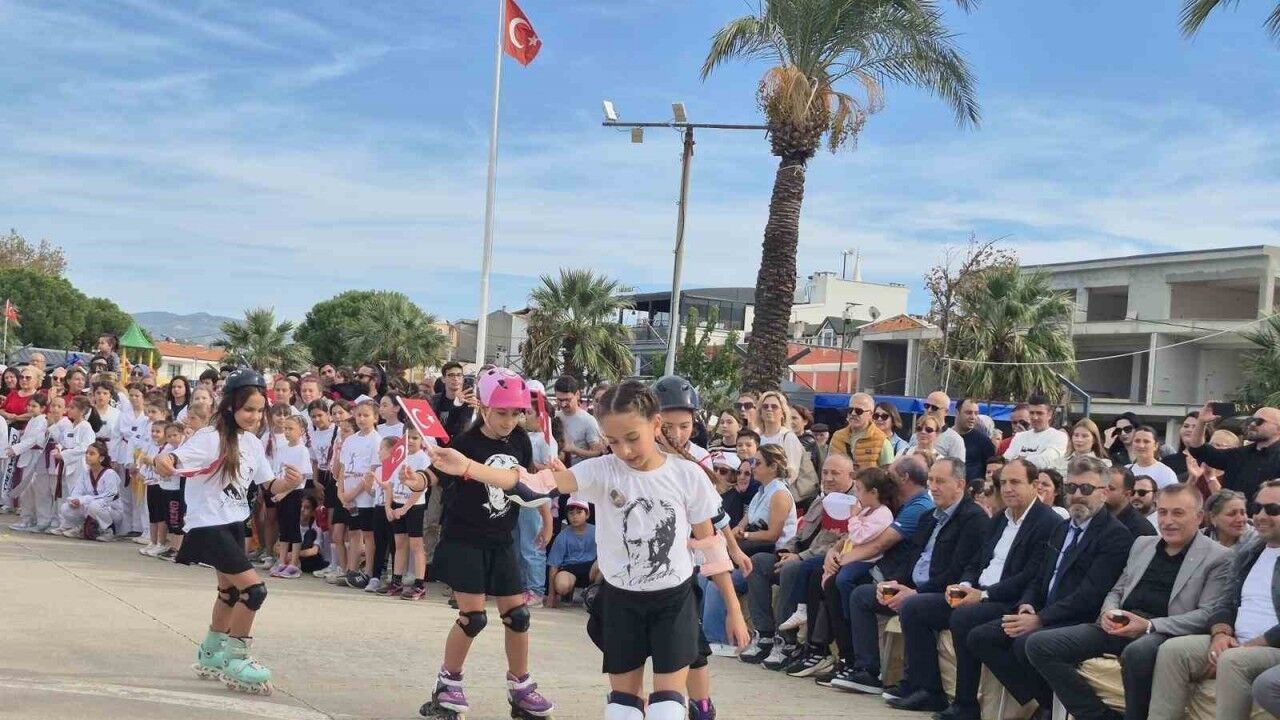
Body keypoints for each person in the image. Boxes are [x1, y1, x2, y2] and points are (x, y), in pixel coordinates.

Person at [425, 379, 748, 720]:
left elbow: (711, 548)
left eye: (632, 438)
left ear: (656, 424)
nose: (624, 451)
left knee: (666, 709)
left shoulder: (688, 475)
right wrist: (467, 467)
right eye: (613, 441)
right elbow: (533, 486)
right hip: (621, 601)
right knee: (623, 710)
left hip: (673, 601)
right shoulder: (601, 470)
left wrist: (733, 609)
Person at [1025, 483, 1234, 720]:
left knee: (1137, 653)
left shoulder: (1218, 557)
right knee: (1039, 644)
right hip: (1121, 624)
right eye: (1163, 512)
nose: (1168, 521)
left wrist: (1149, 626)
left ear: (1199, 517)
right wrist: (1109, 612)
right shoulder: (1143, 544)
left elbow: (1207, 613)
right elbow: (1117, 589)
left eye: (1178, 513)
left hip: (1163, 632)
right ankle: (1099, 717)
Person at [416, 368, 554, 720]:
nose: (509, 421)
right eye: (501, 413)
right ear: (483, 406)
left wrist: (547, 516)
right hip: (465, 540)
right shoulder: (466, 443)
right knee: (473, 618)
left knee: (518, 616)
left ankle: (521, 688)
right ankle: (447, 684)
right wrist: (417, 480)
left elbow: (527, 482)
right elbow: (436, 471)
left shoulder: (520, 440)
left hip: (501, 540)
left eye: (516, 413)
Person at [153, 368, 300, 695]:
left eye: (259, 410)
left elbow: (268, 485)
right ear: (231, 406)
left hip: (233, 523)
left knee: (230, 593)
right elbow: (173, 458)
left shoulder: (253, 444)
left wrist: (289, 483)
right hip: (208, 525)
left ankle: (211, 652)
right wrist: (163, 461)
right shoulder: (210, 437)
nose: (255, 417)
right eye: (248, 409)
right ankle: (237, 658)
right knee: (254, 590)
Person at [966, 456, 1134, 719]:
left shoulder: (1115, 535)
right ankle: (1042, 702)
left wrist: (1040, 619)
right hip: (1045, 611)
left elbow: (1090, 595)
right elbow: (1039, 577)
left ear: (1103, 493)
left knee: (1025, 643)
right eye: (1071, 488)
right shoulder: (1062, 528)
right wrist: (1028, 605)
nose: (1077, 495)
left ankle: (1093, 714)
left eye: (1086, 489)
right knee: (981, 637)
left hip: (1078, 618)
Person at [895, 458, 1062, 715]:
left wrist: (983, 595)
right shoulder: (1000, 518)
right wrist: (963, 585)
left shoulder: (1047, 522)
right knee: (914, 608)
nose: (1008, 489)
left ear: (1034, 485)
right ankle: (929, 691)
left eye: (1015, 482)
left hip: (1009, 599)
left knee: (964, 617)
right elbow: (977, 561)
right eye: (1003, 483)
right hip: (978, 591)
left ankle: (966, 704)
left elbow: (1031, 575)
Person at [837, 457, 987, 696]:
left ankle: (924, 687)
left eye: (940, 481)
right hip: (913, 587)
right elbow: (911, 559)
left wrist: (915, 592)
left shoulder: (973, 518)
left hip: (945, 593)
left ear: (960, 484)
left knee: (913, 606)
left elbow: (957, 570)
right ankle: (867, 670)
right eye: (931, 481)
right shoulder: (929, 516)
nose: (933, 487)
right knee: (861, 595)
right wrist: (894, 583)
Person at [1149, 480, 1280, 720]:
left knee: (1233, 660)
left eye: (1272, 510)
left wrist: (1252, 645)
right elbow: (1225, 601)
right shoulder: (1250, 551)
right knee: (1172, 651)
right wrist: (1220, 634)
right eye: (1257, 508)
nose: (1261, 516)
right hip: (1237, 641)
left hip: (1272, 647)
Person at [740, 453, 855, 668]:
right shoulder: (821, 499)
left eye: (835, 473)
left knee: (791, 569)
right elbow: (800, 534)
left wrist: (798, 556)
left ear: (851, 475)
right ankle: (764, 634)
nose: (828, 478)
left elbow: (840, 543)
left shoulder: (855, 504)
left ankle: (786, 641)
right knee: (758, 562)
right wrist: (787, 550)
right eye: (825, 472)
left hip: (819, 561)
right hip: (797, 554)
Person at [701, 445, 797, 656]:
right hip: (752, 553)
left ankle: (721, 640)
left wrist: (744, 536)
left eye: (758, 463)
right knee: (704, 575)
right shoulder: (761, 492)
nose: (753, 467)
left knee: (718, 583)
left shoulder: (779, 494)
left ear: (773, 467)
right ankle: (707, 636)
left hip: (773, 556)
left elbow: (772, 535)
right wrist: (736, 532)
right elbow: (742, 524)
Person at [1187, 402, 1280, 509]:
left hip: (1266, 517)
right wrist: (1201, 422)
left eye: (1259, 421)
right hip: (1231, 516)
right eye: (1251, 420)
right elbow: (1197, 450)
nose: (1252, 424)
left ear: (1278, 428)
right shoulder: (1239, 454)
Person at [379, 428, 431, 599]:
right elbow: (390, 484)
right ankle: (396, 581)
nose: (411, 441)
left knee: (416, 545)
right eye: (408, 438)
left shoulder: (423, 459)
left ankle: (419, 584)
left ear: (422, 440)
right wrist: (388, 507)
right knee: (399, 544)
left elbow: (421, 487)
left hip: (414, 506)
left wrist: (405, 508)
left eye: (415, 438)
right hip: (397, 503)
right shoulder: (399, 456)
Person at [267, 415, 310, 579]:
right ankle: (282, 561)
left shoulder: (302, 450)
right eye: (285, 428)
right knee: (283, 528)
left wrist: (283, 493)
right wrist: (276, 491)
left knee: (293, 528)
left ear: (301, 431)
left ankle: (294, 562)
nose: (287, 432)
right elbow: (277, 471)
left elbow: (302, 477)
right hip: (280, 493)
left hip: (294, 493)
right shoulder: (282, 448)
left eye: (290, 428)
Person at [53, 440, 122, 540]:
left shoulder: (110, 474)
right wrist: (75, 500)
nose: (87, 456)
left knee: (94, 505)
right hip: (91, 507)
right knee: (66, 508)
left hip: (111, 511)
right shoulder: (85, 473)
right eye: (86, 453)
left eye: (92, 454)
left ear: (101, 458)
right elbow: (77, 491)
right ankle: (83, 527)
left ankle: (109, 530)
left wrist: (84, 500)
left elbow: (109, 496)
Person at [6, 393, 48, 531]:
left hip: (35, 457)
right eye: (29, 405)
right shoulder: (33, 420)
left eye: (34, 406)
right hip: (28, 455)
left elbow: (33, 440)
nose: (30, 408)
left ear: (43, 408)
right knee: (26, 490)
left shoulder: (42, 420)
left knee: (31, 489)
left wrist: (15, 448)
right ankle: (28, 518)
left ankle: (32, 519)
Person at [545, 498, 597, 608]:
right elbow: (554, 565)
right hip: (570, 568)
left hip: (591, 568)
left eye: (579, 512)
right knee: (561, 586)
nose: (575, 516)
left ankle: (593, 592)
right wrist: (551, 595)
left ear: (587, 514)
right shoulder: (562, 535)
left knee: (602, 564)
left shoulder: (597, 532)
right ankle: (567, 594)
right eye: (571, 513)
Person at [1002, 393, 1068, 473]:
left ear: (1049, 414)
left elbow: (1044, 462)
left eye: (1039, 413)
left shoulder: (1059, 436)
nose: (1035, 417)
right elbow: (1006, 459)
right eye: (1032, 413)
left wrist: (1018, 459)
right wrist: (1033, 458)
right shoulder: (1019, 436)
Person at [829, 392, 893, 469]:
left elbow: (887, 473)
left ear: (870, 414)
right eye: (850, 410)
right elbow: (829, 466)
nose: (853, 413)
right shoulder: (837, 437)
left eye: (858, 411)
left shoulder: (881, 440)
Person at [555, 375, 605, 467]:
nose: (563, 404)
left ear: (577, 394)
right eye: (560, 400)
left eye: (567, 400)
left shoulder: (588, 421)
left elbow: (597, 453)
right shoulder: (555, 416)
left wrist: (574, 449)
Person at [756, 391, 806, 484]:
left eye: (774, 406)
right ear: (760, 412)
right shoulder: (757, 438)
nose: (769, 409)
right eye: (765, 406)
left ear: (783, 413)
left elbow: (792, 472)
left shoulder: (788, 437)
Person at [909, 391, 966, 463]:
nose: (929, 410)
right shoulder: (916, 435)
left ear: (946, 412)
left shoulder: (955, 440)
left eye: (934, 407)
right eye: (927, 406)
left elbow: (958, 468)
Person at [1106, 465, 1157, 538]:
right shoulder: (1097, 517)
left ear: (1127, 494)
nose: (1104, 492)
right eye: (1102, 487)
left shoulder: (1141, 529)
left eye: (1111, 488)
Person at [432, 362, 475, 442]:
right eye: (451, 375)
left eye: (459, 375)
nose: (455, 378)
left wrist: (457, 405)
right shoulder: (435, 400)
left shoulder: (468, 402)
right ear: (443, 379)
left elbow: (462, 430)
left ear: (463, 378)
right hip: (434, 443)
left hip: (457, 445)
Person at [953, 398, 995, 481]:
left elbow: (991, 469)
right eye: (968, 413)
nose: (973, 417)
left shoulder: (984, 441)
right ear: (957, 413)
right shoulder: (945, 437)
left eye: (976, 413)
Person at [719, 454, 758, 528]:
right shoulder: (732, 497)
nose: (741, 477)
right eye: (739, 472)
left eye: (747, 474)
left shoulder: (762, 498)